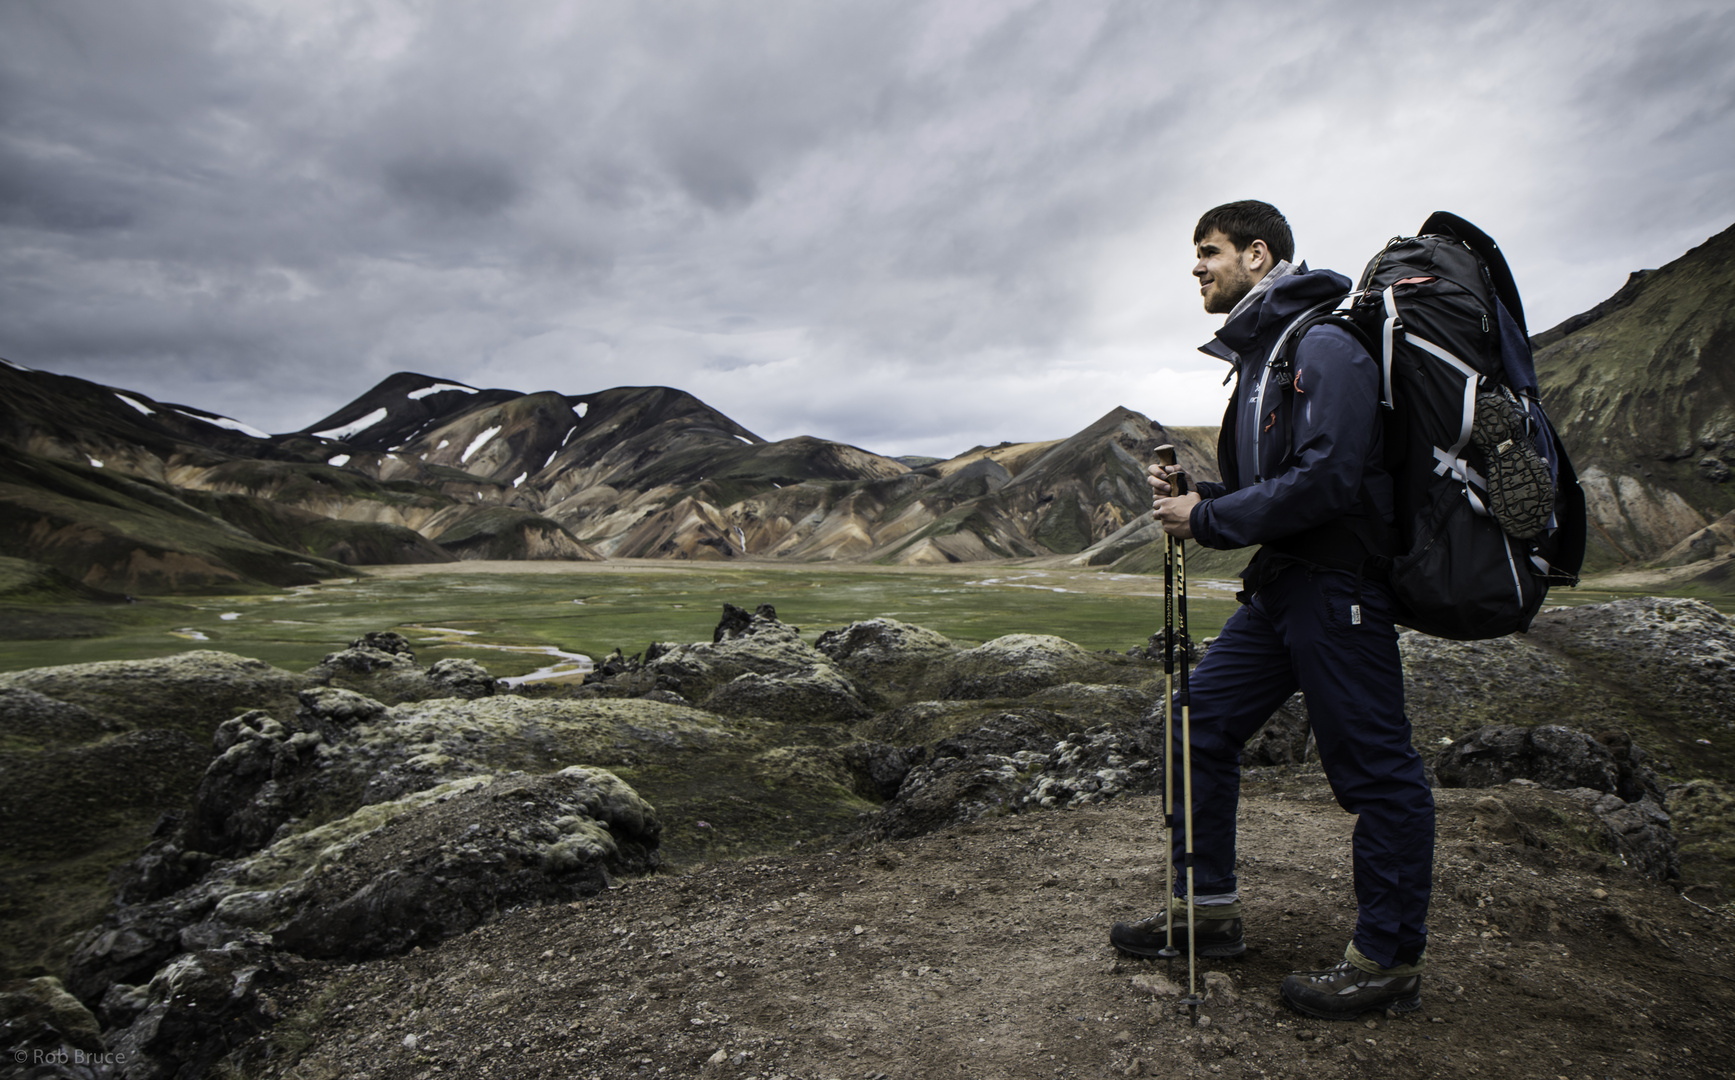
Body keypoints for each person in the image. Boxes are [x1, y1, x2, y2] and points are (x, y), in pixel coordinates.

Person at [1108, 200, 1435, 1020]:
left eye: (1208, 252)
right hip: (1285, 588)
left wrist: (1208, 521)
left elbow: (1329, 480)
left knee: (1375, 772)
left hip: (1338, 590)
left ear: (1258, 256)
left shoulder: (1322, 343)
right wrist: (1203, 497)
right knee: (1196, 723)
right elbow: (1277, 488)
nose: (1196, 268)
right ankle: (1206, 910)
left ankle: (1386, 958)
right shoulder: (1264, 356)